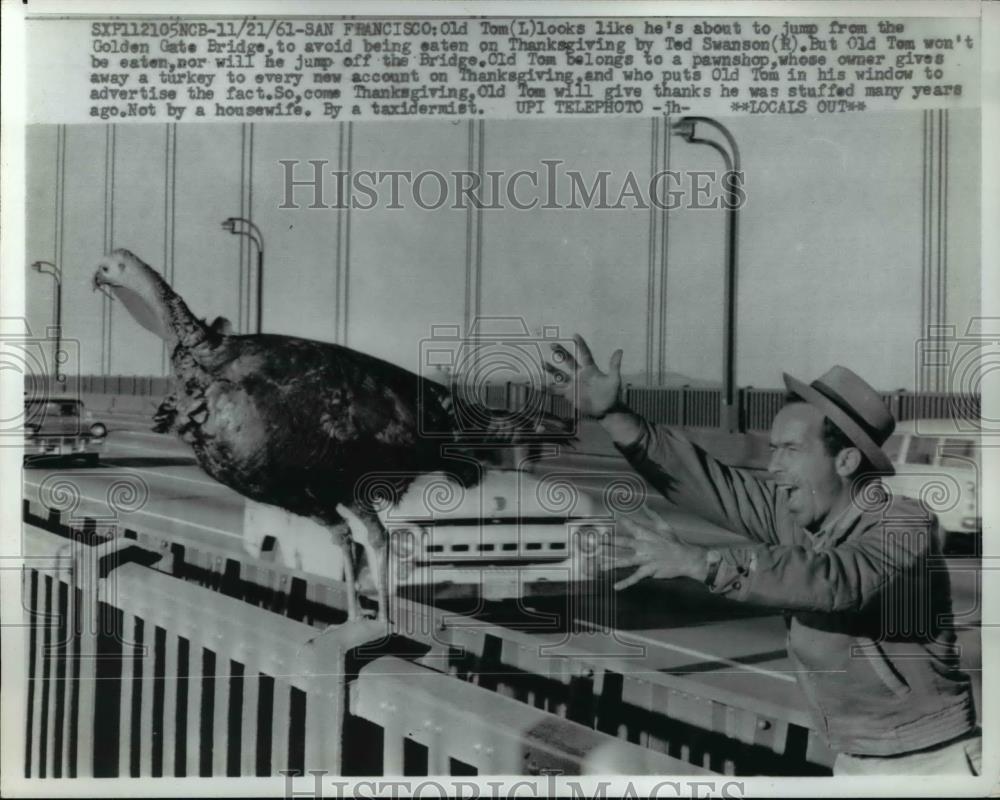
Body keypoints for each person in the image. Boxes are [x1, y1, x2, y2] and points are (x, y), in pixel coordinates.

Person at [546, 334, 981, 776]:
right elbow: (709, 482)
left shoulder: (903, 524)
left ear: (846, 461)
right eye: (773, 449)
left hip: (932, 762)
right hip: (853, 759)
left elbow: (837, 580)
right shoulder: (797, 517)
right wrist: (613, 415)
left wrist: (704, 563)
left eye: (791, 450)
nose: (773, 467)